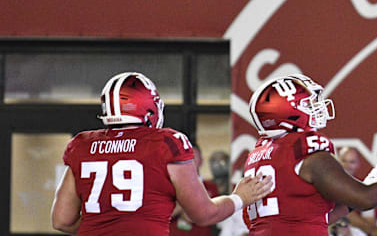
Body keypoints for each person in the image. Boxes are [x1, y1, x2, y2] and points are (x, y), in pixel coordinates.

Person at [51, 71, 272, 235]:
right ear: (149, 107)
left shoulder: (82, 145)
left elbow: (61, 220)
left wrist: (107, 226)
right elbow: (203, 214)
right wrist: (239, 198)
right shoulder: (166, 143)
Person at [243, 73, 377, 235]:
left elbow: (318, 218)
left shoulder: (261, 155)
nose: (317, 108)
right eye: (307, 104)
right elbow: (367, 199)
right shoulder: (307, 154)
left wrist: (353, 199)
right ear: (284, 113)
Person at [170, 144, 220, 236]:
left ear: (201, 160)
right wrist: (193, 203)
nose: (191, 160)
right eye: (188, 156)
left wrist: (181, 203)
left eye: (194, 156)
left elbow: (210, 215)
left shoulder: (212, 188)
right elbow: (166, 213)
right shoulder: (171, 186)